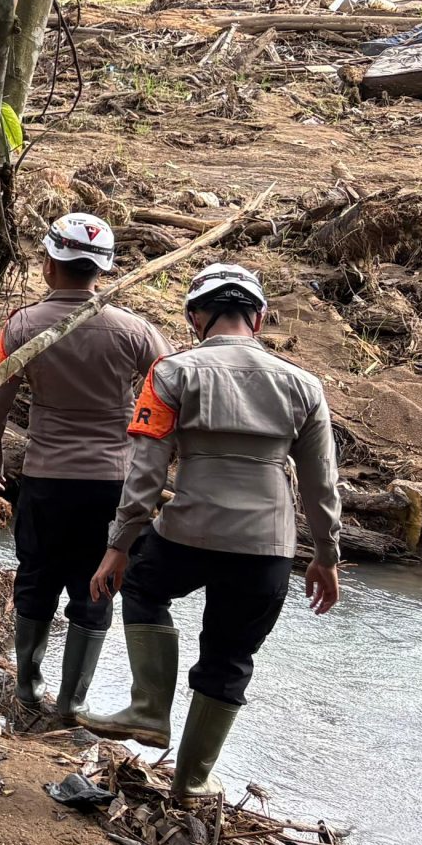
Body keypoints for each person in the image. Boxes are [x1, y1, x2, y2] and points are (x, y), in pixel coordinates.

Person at [79, 263, 342, 798]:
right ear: (260, 319)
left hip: (187, 532)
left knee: (144, 587)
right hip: (268, 546)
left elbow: (146, 474)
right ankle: (191, 781)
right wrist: (327, 556)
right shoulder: (306, 386)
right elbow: (321, 486)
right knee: (231, 657)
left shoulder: (171, 373)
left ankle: (149, 708)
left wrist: (119, 545)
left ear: (195, 318)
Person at [0, 213, 169, 722]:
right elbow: (174, 391)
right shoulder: (134, 330)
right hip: (114, 486)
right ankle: (73, 701)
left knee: (36, 578)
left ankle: (30, 686)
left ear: (49, 265)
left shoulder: (22, 326)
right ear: (100, 270)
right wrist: (168, 470)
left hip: (47, 480)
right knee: (97, 587)